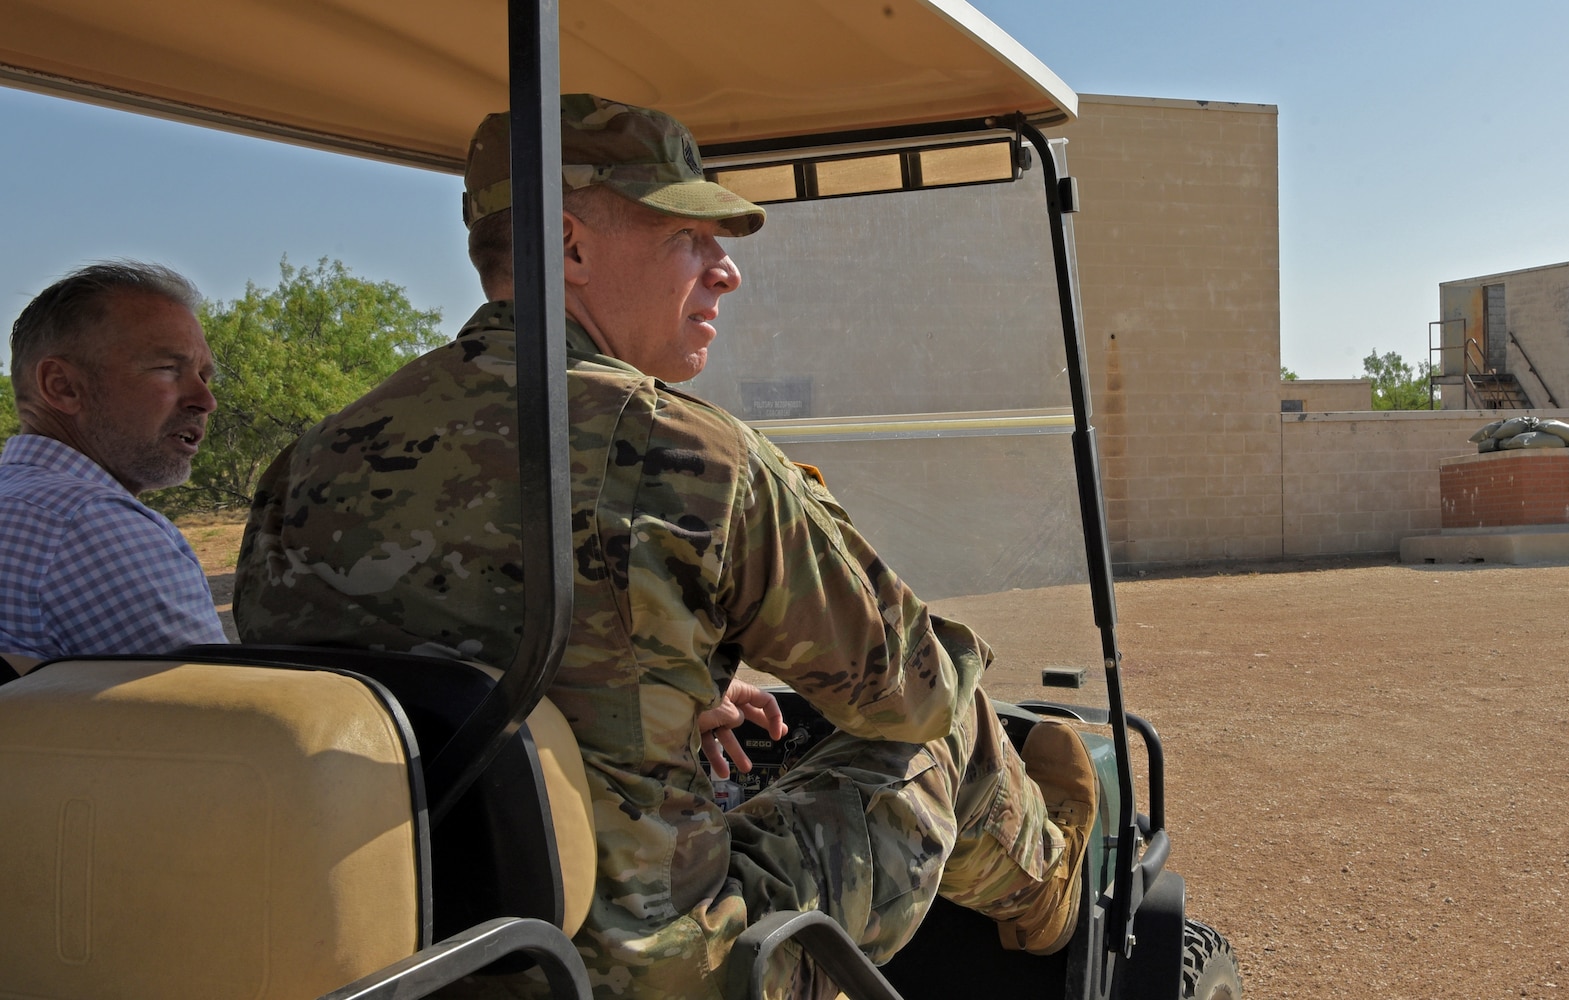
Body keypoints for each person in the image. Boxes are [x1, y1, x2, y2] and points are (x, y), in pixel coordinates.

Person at [233, 95, 1097, 998]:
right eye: (691, 237)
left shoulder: (306, 463)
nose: (726, 273)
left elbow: (425, 679)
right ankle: (1049, 890)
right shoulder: (686, 453)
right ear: (569, 249)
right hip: (658, 972)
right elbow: (906, 693)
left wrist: (682, 688)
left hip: (412, 959)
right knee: (951, 711)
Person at [0, 261, 227, 666]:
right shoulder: (87, 523)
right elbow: (223, 715)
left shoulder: (17, 503)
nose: (204, 400)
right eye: (167, 369)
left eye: (204, 376)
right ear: (63, 386)